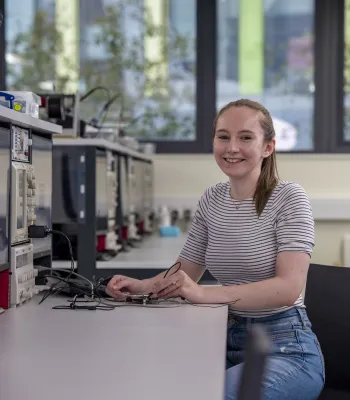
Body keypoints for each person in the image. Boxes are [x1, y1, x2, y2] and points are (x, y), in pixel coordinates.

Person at [106, 99, 325, 399]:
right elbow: (186, 269)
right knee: (156, 382)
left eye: (245, 137)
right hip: (225, 338)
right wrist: (142, 286)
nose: (231, 147)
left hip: (285, 347)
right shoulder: (212, 199)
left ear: (268, 147)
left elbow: (288, 288)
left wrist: (202, 294)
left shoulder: (289, 198)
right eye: (223, 136)